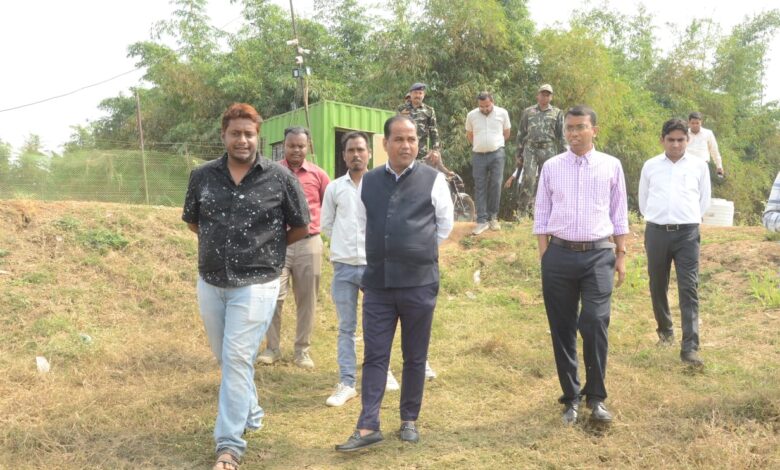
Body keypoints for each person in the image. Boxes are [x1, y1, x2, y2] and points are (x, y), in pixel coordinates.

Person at [182, 103, 310, 470]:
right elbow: (194, 221)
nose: (242, 140)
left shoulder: (280, 178)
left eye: (249, 134)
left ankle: (229, 444)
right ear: (223, 135)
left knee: (237, 358)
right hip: (211, 280)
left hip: (258, 282)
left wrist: (267, 251)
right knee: (226, 357)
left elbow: (300, 225)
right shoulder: (202, 176)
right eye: (235, 133)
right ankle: (251, 412)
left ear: (258, 137)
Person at [335, 115, 453, 451]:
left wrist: (415, 250)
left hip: (419, 284)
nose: (406, 145)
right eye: (399, 139)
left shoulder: (433, 180)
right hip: (378, 285)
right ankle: (368, 425)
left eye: (412, 139)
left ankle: (409, 419)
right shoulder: (369, 181)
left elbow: (444, 226)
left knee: (415, 356)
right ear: (385, 144)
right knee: (375, 355)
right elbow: (363, 225)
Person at [533, 105, 629, 425]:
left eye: (580, 127)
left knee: (595, 321)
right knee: (562, 327)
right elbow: (541, 213)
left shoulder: (611, 166)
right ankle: (571, 397)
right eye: (569, 128)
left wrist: (621, 254)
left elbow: (619, 213)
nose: (573, 133)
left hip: (599, 254)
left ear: (594, 130)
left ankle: (596, 397)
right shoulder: (552, 166)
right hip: (558, 254)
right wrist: (545, 254)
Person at [320, 131, 400, 407]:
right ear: (344, 156)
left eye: (360, 150)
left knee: (378, 324)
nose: (356, 154)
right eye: (351, 150)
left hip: (373, 266)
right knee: (346, 327)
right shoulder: (334, 188)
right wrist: (343, 247)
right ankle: (347, 382)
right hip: (343, 268)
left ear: (370, 153)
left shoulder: (381, 185)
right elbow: (327, 224)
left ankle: (383, 371)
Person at [639, 118, 711, 367]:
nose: (676, 144)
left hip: (687, 234)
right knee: (657, 284)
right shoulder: (650, 166)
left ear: (687, 141)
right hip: (657, 232)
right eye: (671, 140)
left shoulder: (699, 166)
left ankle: (690, 348)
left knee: (688, 287)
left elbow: (704, 200)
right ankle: (665, 332)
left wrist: (687, 219)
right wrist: (659, 219)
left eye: (681, 140)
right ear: (662, 140)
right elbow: (643, 200)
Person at [258, 127, 330, 369]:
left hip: (309, 244)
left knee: (307, 299)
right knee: (272, 297)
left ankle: (302, 351)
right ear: (284, 146)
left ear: (308, 146)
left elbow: (330, 205)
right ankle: (272, 348)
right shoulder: (270, 172)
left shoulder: (319, 175)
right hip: (277, 245)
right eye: (291, 145)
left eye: (301, 146)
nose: (296, 150)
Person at [515, 84, 566, 217]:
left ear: (551, 97)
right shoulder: (528, 112)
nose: (545, 97)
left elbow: (562, 136)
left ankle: (543, 212)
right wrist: (518, 154)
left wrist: (565, 155)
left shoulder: (557, 113)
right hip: (530, 149)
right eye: (543, 94)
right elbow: (521, 133)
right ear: (538, 95)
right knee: (528, 179)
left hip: (548, 149)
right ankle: (522, 213)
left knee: (547, 181)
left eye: (548, 95)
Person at [465, 91, 511, 235]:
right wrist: (480, 145)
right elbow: (469, 135)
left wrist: (495, 144)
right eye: (481, 106)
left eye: (487, 106)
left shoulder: (502, 113)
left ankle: (493, 217)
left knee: (496, 184)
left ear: (492, 102)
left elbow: (506, 133)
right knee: (480, 186)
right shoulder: (471, 115)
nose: (484, 109)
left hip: (497, 154)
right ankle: (481, 220)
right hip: (478, 155)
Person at [397, 82, 440, 161]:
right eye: (415, 93)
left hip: (421, 152)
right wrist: (399, 117)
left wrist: (436, 150)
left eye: (420, 93)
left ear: (423, 95)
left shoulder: (429, 110)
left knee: (420, 168)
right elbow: (394, 127)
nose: (418, 95)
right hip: (405, 148)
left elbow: (434, 131)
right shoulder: (402, 109)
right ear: (410, 94)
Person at [687, 112, 725, 177]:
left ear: (701, 122)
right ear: (689, 123)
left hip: (703, 166)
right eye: (692, 123)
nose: (695, 125)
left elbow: (714, 150)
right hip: (687, 166)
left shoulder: (708, 133)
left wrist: (719, 166)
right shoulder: (684, 133)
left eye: (697, 123)